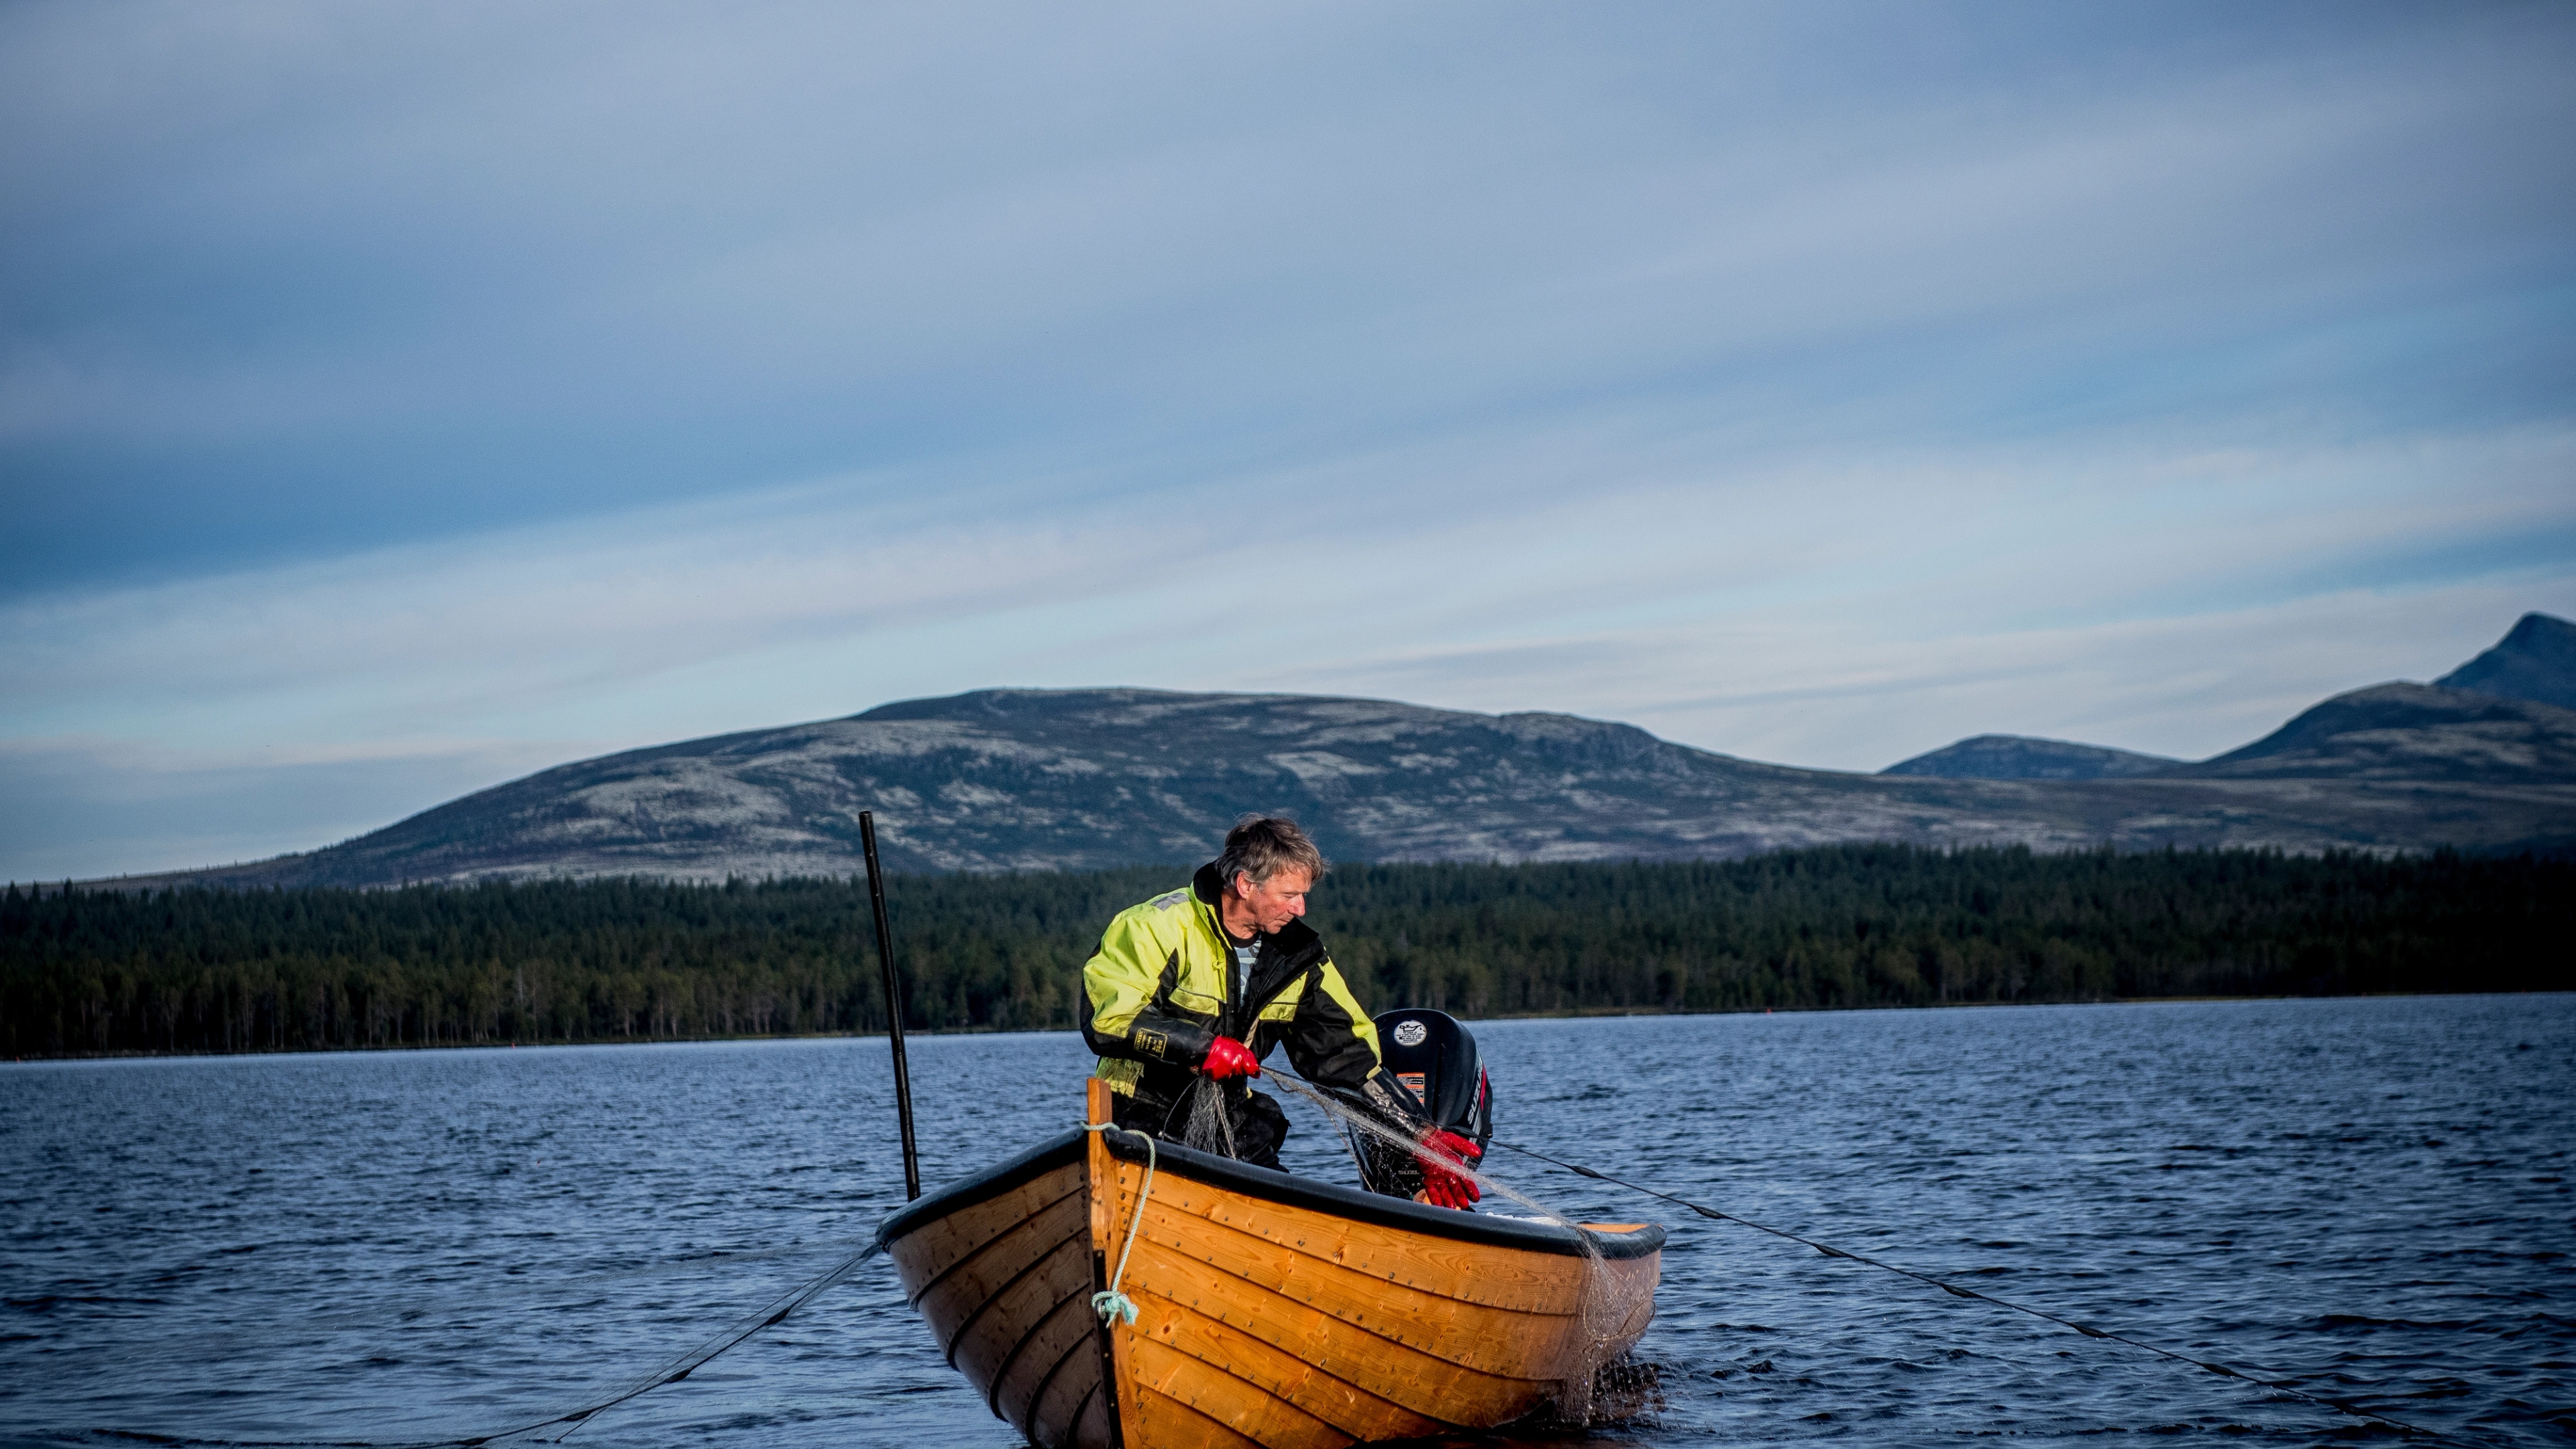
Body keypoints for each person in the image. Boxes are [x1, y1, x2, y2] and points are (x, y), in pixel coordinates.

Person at [1080, 816, 1483, 1209]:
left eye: (1304, 895)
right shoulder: (1156, 926)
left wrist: (1420, 1135)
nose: (1301, 908)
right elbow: (1107, 1021)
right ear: (1244, 884)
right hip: (1138, 1119)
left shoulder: (1299, 958)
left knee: (1296, 1218)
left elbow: (1348, 1058)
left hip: (1233, 1123)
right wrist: (1203, 1048)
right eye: (1290, 895)